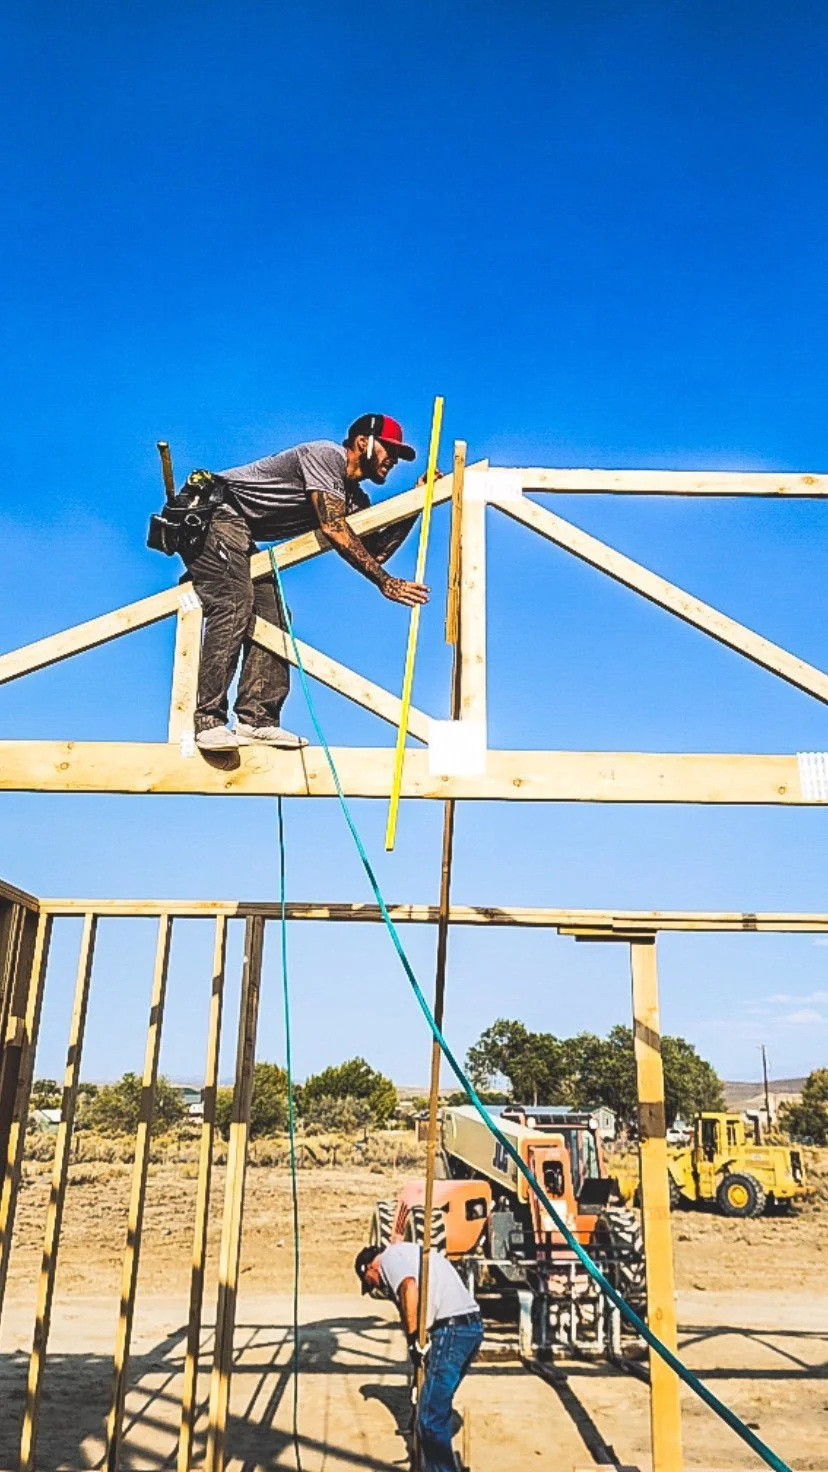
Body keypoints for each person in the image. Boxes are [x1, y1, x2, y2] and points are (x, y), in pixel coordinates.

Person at [180, 414, 430, 751]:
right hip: (211, 515)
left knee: (274, 613)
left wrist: (416, 503)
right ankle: (208, 720)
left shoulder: (354, 499)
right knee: (233, 601)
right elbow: (335, 528)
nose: (394, 460)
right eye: (391, 450)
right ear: (363, 443)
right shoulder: (326, 456)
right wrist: (385, 583)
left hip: (239, 533)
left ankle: (257, 720)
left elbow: (376, 553)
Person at [355, 1241, 483, 1472]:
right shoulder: (408, 1253)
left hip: (451, 1330)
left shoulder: (389, 1259)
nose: (375, 1288)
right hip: (470, 1327)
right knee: (434, 1408)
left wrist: (414, 1338)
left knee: (429, 1418)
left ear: (369, 1269)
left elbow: (408, 1286)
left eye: (369, 1283)